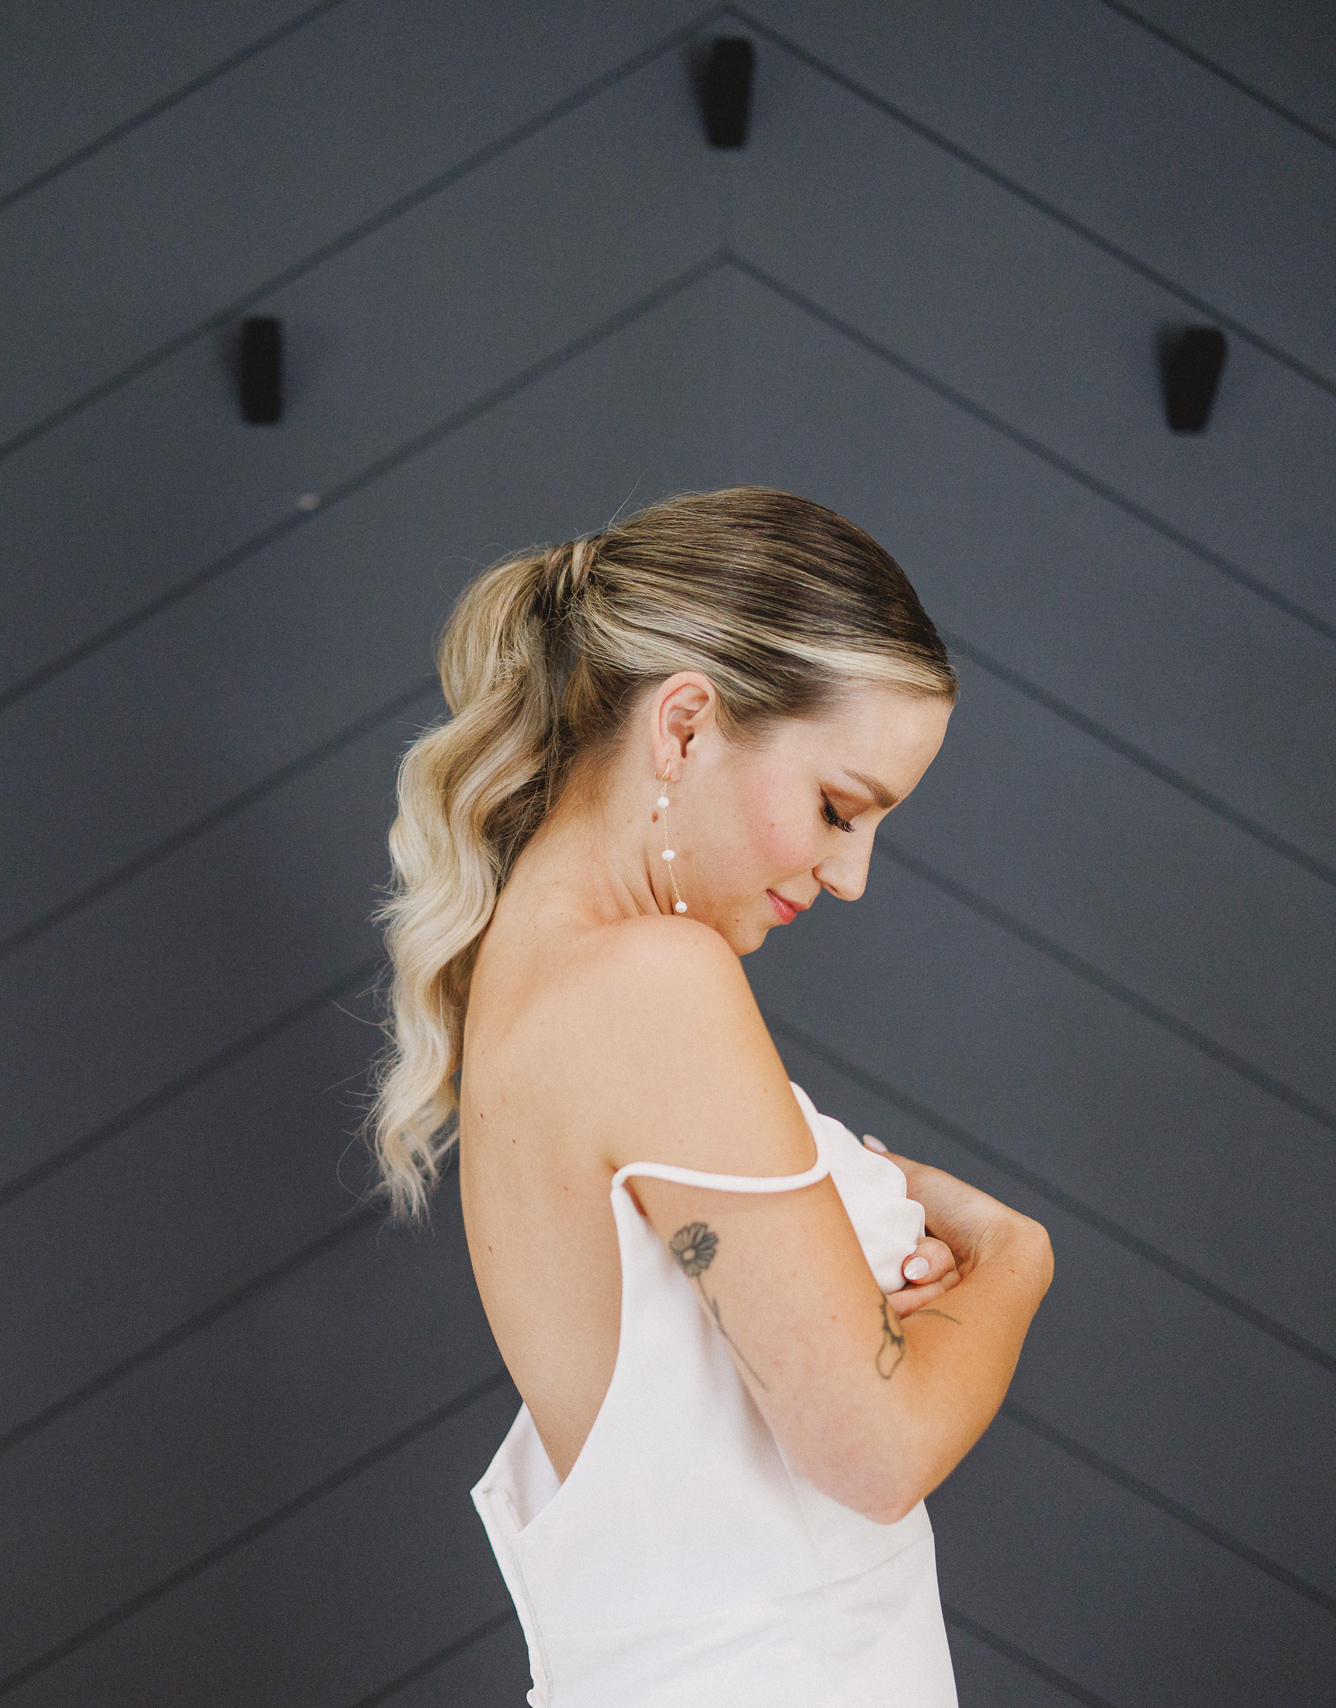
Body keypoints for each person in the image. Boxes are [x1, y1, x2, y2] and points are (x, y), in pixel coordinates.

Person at [361, 486, 1054, 1704]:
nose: (849, 875)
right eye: (839, 807)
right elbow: (873, 1448)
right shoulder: (648, 981)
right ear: (681, 726)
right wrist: (1011, 1258)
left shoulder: (533, 974)